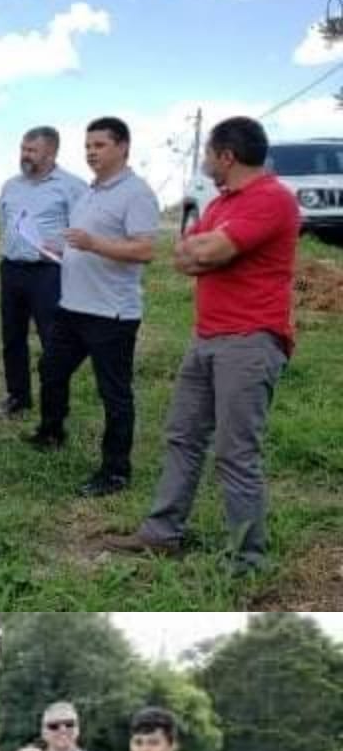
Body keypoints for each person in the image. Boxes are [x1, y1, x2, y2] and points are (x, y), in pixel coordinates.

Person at [102, 117, 299, 575]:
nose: (206, 160)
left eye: (209, 152)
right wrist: (204, 248)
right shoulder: (221, 203)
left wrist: (205, 249)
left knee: (236, 451)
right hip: (206, 337)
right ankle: (161, 533)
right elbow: (183, 257)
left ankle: (248, 560)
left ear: (226, 156)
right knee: (183, 436)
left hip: (249, 341)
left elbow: (204, 254)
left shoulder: (271, 199)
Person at [28, 116, 160, 498]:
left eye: (99, 146)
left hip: (111, 313)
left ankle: (116, 471)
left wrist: (93, 244)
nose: (91, 153)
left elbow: (145, 249)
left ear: (123, 147)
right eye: (87, 146)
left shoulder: (136, 193)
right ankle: (51, 432)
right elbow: (81, 241)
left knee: (114, 393)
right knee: (51, 368)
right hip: (73, 306)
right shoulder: (89, 192)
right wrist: (60, 247)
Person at [0, 126, 87, 417]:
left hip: (48, 274)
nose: (24, 155)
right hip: (12, 269)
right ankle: (17, 397)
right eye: (23, 149)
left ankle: (54, 408)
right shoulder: (11, 185)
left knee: (53, 341)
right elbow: (3, 221)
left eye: (32, 151)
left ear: (51, 153)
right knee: (12, 337)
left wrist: (63, 249)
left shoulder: (72, 186)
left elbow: (83, 229)